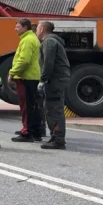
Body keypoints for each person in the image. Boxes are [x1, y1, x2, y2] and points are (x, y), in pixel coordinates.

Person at [37, 21, 71, 150]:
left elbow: (48, 63)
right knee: (53, 108)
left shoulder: (49, 42)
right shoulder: (53, 41)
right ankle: (55, 136)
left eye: (38, 28)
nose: (36, 31)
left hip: (55, 80)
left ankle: (58, 140)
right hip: (58, 79)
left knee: (53, 110)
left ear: (42, 29)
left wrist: (42, 80)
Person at [8, 19, 43, 142]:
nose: (15, 29)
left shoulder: (27, 40)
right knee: (32, 105)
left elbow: (24, 60)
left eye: (17, 26)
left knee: (26, 106)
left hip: (26, 77)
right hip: (31, 77)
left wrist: (12, 73)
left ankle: (27, 132)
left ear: (25, 27)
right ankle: (36, 131)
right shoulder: (30, 38)